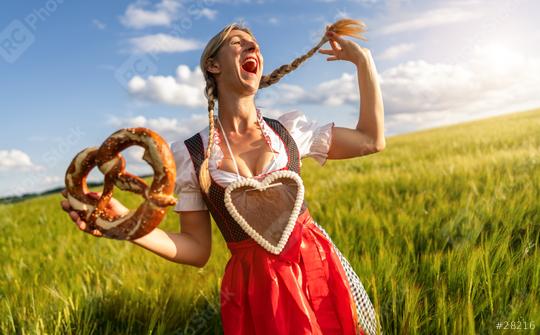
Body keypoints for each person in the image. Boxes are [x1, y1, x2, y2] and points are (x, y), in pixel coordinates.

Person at [61, 19, 385, 335]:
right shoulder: (192, 155)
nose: (252, 45)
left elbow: (371, 140)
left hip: (317, 267)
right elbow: (196, 249)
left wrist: (364, 62)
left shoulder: (288, 131)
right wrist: (128, 224)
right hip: (257, 290)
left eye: (254, 43)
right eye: (237, 42)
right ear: (213, 65)